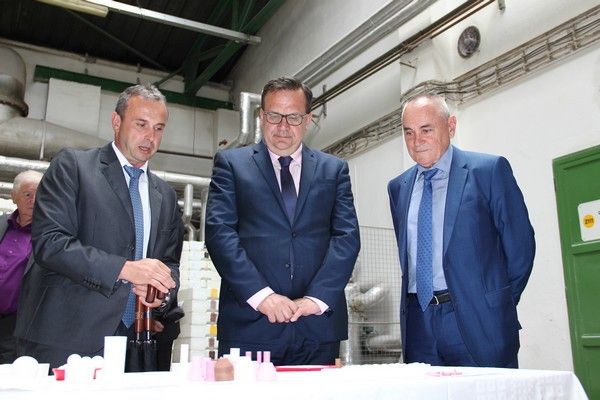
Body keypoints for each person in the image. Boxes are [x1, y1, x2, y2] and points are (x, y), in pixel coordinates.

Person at [14, 84, 183, 369]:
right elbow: (51, 243)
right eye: (141, 124)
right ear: (116, 121)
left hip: (136, 343)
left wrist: (162, 293)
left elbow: (169, 263)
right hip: (65, 338)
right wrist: (125, 269)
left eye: (158, 128)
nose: (150, 137)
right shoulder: (73, 166)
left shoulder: (165, 195)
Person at [205, 77, 360, 365]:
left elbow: (346, 238)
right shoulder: (231, 165)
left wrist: (316, 299)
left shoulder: (334, 170)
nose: (283, 126)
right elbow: (219, 234)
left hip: (317, 327)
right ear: (261, 116)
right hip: (250, 326)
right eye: (274, 116)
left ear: (308, 120)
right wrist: (262, 296)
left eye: (294, 117)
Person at [387, 92, 535, 368]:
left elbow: (521, 249)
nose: (417, 141)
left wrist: (494, 305)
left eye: (426, 130)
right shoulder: (399, 188)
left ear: (451, 126)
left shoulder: (488, 171)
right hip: (419, 324)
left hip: (478, 322)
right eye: (409, 132)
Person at [0, 170, 43, 364]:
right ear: (14, 196)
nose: (33, 200)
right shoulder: (2, 225)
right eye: (27, 194)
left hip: (17, 325)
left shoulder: (48, 237)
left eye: (38, 195)